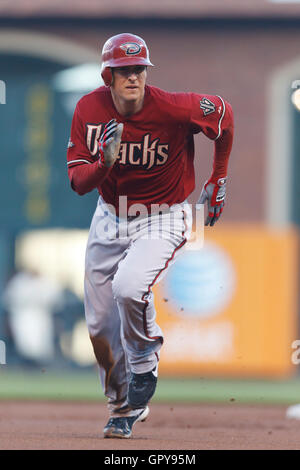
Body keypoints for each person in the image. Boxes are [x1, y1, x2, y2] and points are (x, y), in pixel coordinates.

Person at [67, 33, 234, 439]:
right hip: (110, 215)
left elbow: (225, 116)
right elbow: (77, 181)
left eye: (139, 69)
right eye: (124, 70)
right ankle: (124, 407)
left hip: (162, 214)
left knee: (129, 286)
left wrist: (219, 176)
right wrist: (104, 164)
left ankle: (143, 362)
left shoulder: (175, 107)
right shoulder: (88, 109)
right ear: (108, 74)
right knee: (100, 326)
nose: (133, 77)